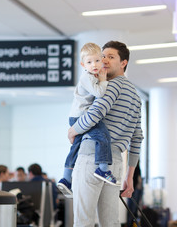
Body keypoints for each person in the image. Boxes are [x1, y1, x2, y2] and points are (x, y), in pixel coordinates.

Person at [68, 40, 144, 227]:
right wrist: (130, 176)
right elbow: (137, 137)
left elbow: (96, 112)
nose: (104, 61)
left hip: (92, 155)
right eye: (102, 56)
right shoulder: (136, 96)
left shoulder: (111, 86)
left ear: (123, 63)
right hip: (115, 164)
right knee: (110, 222)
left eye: (111, 57)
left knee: (83, 220)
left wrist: (73, 129)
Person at [58, 42, 118, 199]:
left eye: (97, 61)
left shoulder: (90, 76)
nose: (95, 65)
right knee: (103, 136)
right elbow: (99, 93)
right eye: (90, 62)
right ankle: (103, 168)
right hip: (81, 117)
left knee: (76, 147)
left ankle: (66, 178)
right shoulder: (87, 77)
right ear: (83, 64)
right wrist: (104, 79)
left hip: (76, 116)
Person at [127, 160, 143, 227]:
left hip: (137, 188)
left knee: (135, 209)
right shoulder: (132, 166)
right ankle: (130, 224)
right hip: (134, 189)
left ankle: (133, 224)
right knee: (132, 209)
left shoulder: (137, 166)